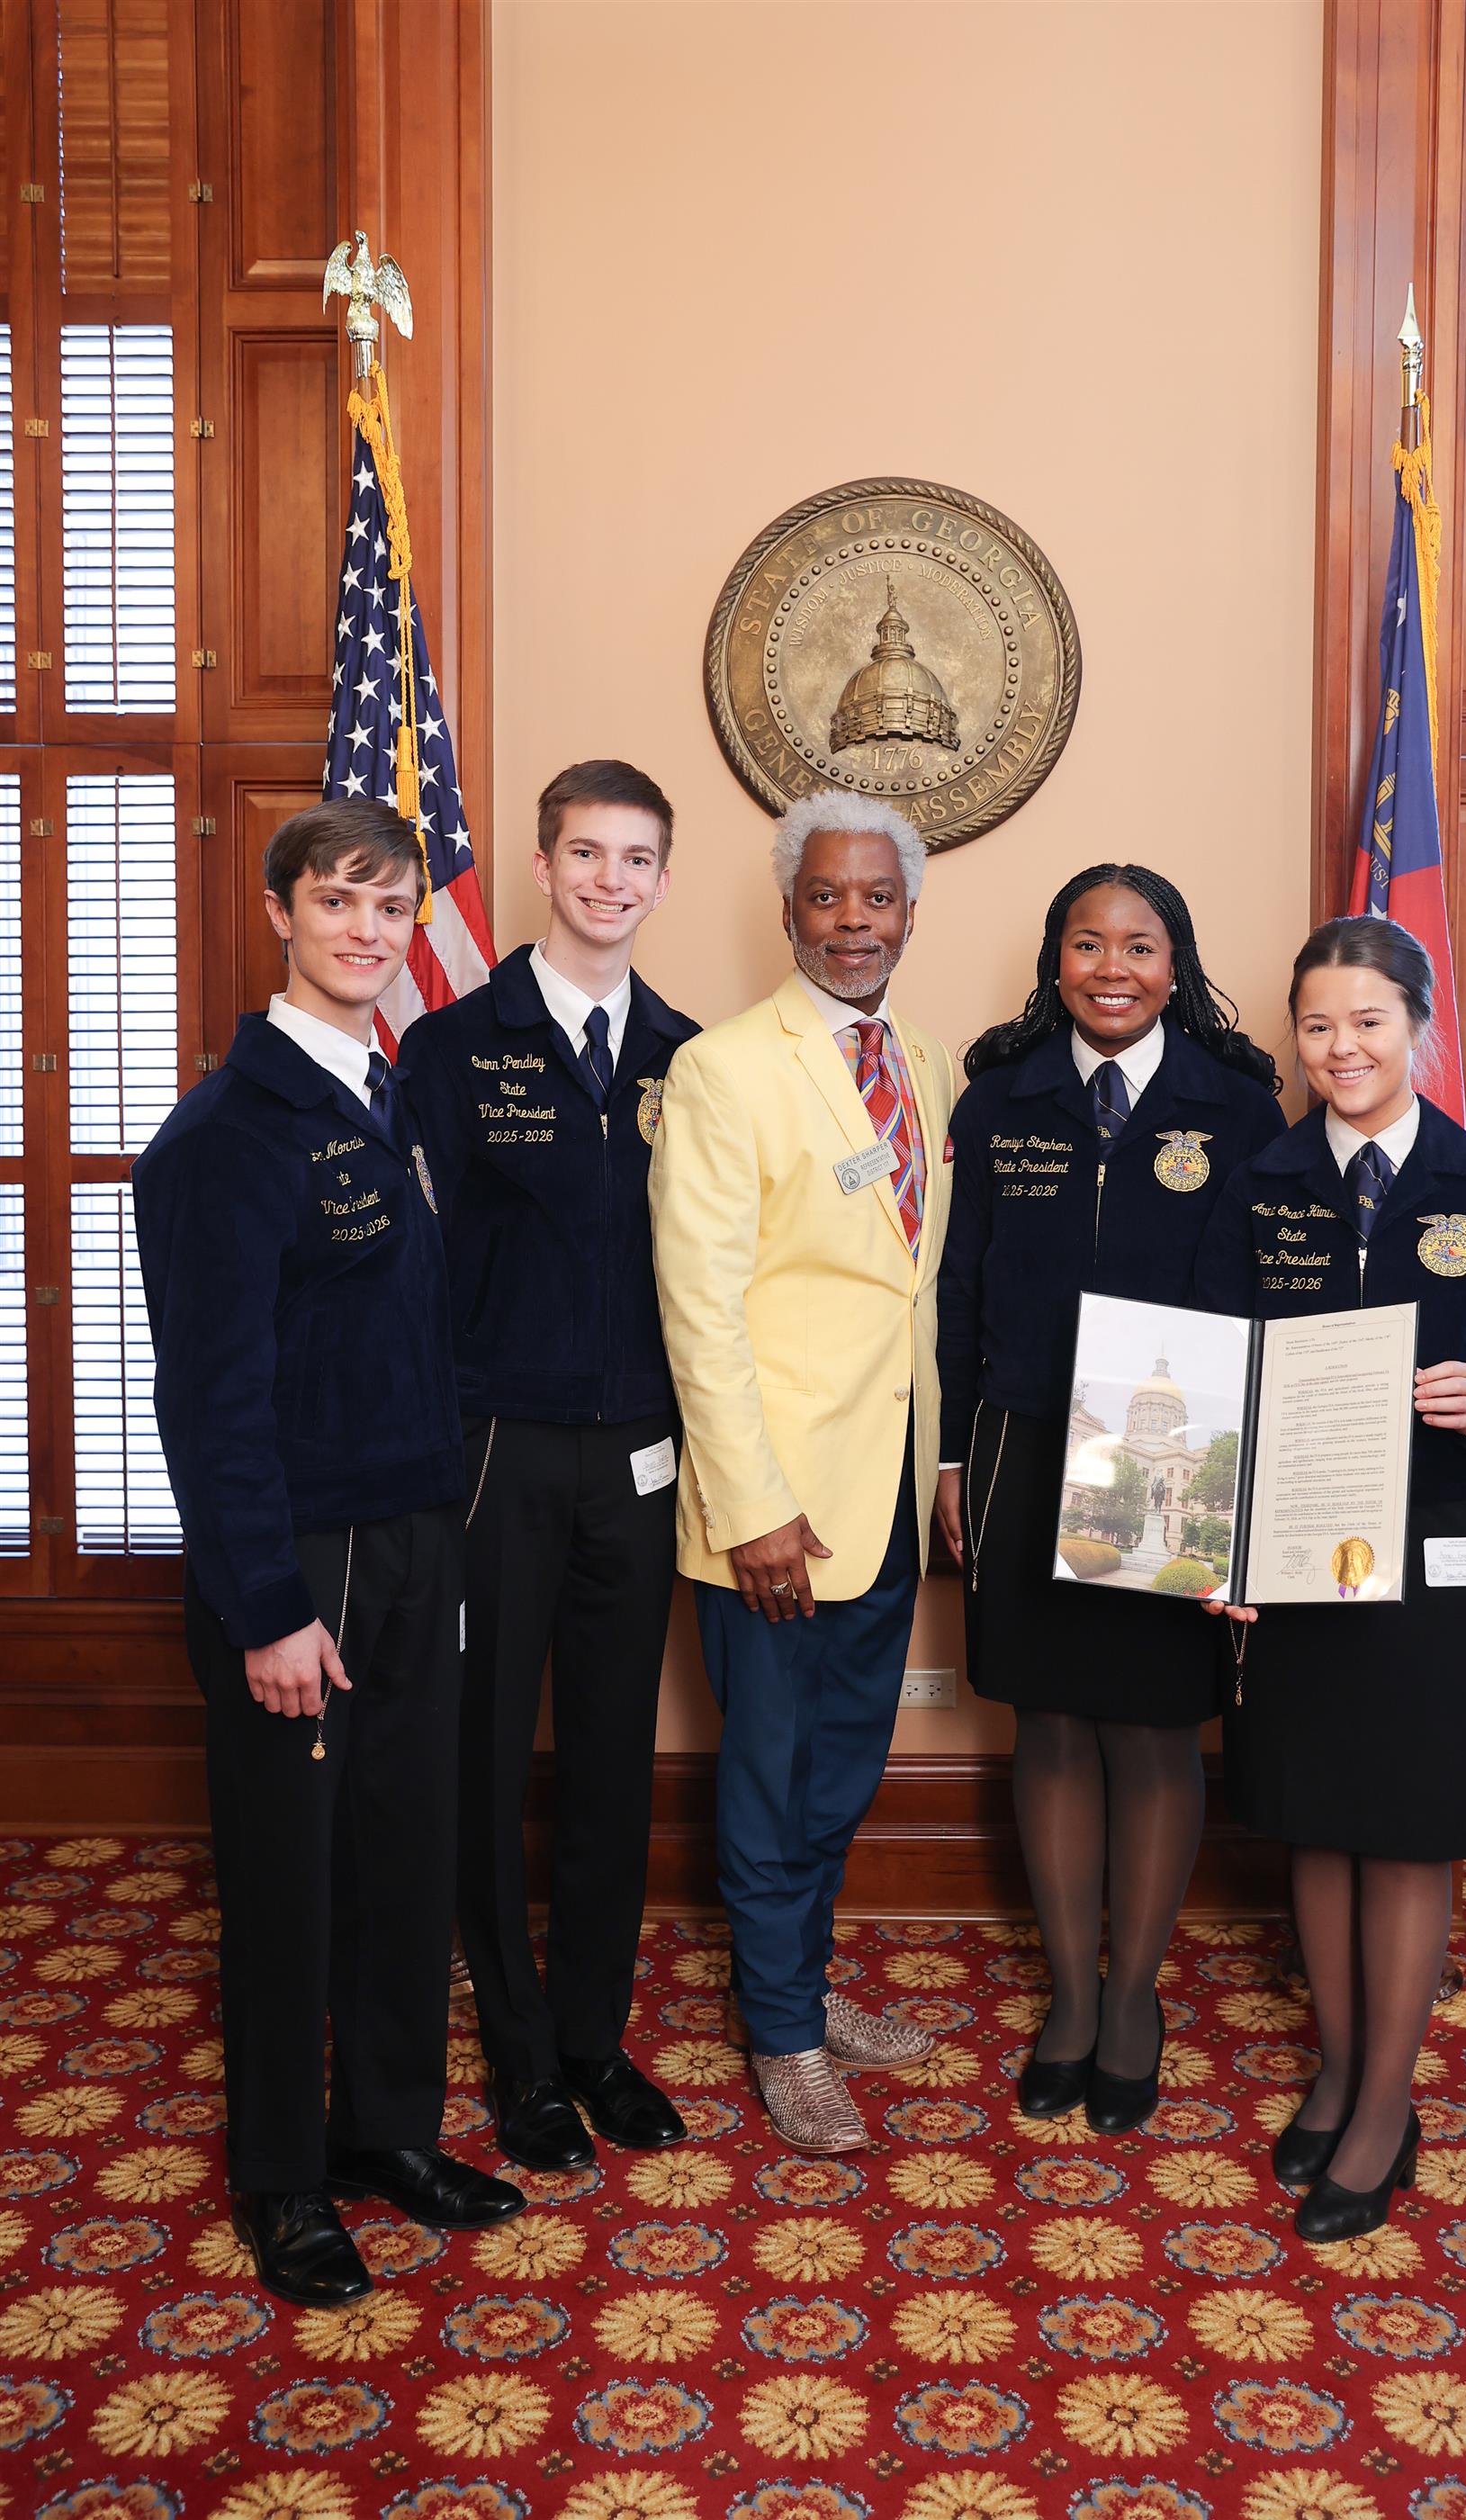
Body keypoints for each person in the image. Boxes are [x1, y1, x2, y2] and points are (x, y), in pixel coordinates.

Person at [131, 797, 523, 2309]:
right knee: (292, 1881)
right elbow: (209, 1400)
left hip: (418, 1537)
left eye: (390, 903)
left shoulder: (390, 1093)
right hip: (300, 1563)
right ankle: (283, 2179)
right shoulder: (227, 1135)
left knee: (405, 1857)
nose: (367, 928)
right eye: (338, 899)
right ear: (281, 913)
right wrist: (268, 1607)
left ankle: (388, 2133)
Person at [1195, 914, 1466, 2241]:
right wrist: (1223, 1540)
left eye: (1367, 1020)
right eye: (1316, 1025)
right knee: (1315, 1813)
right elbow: (1221, 1375)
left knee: (1410, 1821)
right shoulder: (1263, 1185)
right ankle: (1339, 2068)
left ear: (1419, 1026)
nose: (1341, 1047)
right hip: (1301, 1546)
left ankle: (1382, 2106)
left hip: (1446, 1552)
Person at [935, 864, 1284, 2134]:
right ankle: (1071, 2004)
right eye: (1088, 944)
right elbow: (958, 1286)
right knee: (1050, 1726)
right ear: (1056, 961)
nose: (1113, 969)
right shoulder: (1000, 1096)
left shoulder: (1238, 1107)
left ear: (1175, 966)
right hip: (1029, 1445)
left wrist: (1245, 1483)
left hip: (1172, 1463)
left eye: (1140, 946)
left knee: (1151, 1731)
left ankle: (1132, 1995)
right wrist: (952, 1457)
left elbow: (1269, 1291)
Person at [649, 789, 958, 2153]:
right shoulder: (724, 1069)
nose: (852, 921)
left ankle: (804, 1987)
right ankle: (781, 2033)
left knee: (842, 1767)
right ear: (788, 913)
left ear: (909, 913)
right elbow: (699, 1307)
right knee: (773, 1776)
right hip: (772, 1508)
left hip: (885, 1489)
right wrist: (753, 1504)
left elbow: (910, 1293)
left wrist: (937, 1463)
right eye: (825, 897)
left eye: (875, 897)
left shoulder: (924, 1062)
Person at [403, 761, 699, 2168]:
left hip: (639, 1453)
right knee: (483, 1755)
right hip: (493, 1455)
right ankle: (520, 2057)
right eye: (587, 854)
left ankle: (593, 2040)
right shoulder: (456, 1045)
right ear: (541, 864)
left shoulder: (688, 1058)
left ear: (663, 879)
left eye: (636, 859)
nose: (610, 881)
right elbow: (410, 1265)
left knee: (612, 1758)